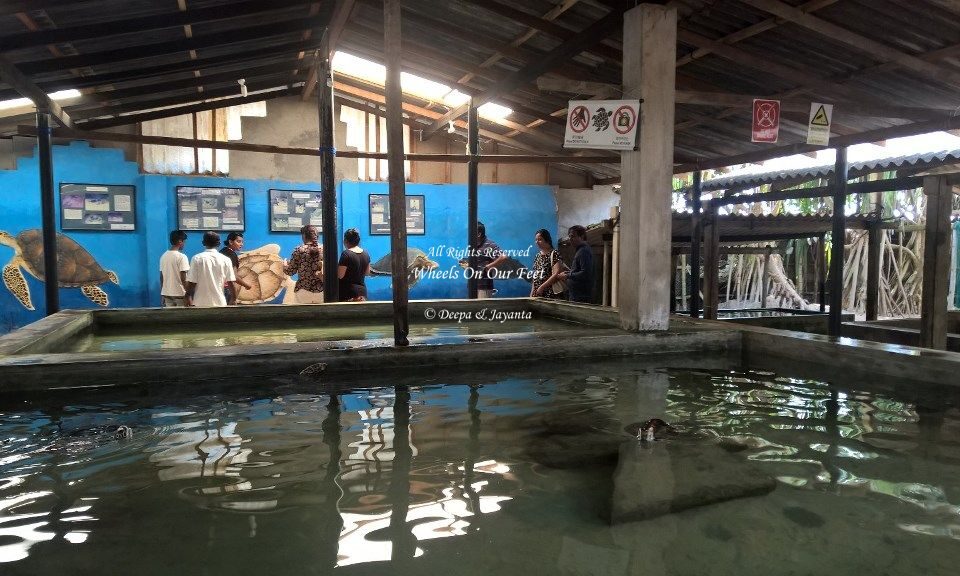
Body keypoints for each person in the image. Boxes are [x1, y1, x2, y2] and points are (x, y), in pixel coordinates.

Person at [185, 231, 238, 307]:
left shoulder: (196, 259)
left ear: (203, 243)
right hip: (220, 303)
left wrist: (188, 296)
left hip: (200, 303)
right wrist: (233, 299)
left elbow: (192, 282)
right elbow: (231, 283)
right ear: (219, 244)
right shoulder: (226, 260)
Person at [284, 225, 325, 304]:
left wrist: (285, 265)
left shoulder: (298, 250)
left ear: (304, 235)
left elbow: (290, 272)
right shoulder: (324, 249)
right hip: (321, 291)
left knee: (302, 316)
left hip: (303, 291)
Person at [473, 221, 507, 299]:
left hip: (484, 287)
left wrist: (489, 266)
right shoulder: (473, 245)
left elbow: (503, 256)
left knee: (483, 309)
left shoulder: (490, 244)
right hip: (473, 285)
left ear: (479, 234)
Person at [560, 225, 594, 303]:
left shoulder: (583, 251)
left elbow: (586, 273)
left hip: (581, 297)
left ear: (581, 236)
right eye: (569, 237)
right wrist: (568, 273)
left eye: (573, 236)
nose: (570, 239)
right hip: (577, 295)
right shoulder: (581, 250)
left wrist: (567, 275)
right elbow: (580, 270)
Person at [530, 228, 567, 299]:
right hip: (538, 293)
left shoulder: (554, 253)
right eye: (536, 240)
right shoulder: (537, 256)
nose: (537, 242)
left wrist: (542, 287)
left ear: (547, 240)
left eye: (540, 239)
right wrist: (532, 293)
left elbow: (556, 274)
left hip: (551, 293)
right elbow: (535, 276)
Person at [338, 228, 370, 301]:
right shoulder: (366, 254)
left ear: (345, 240)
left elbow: (340, 275)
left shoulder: (346, 254)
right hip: (362, 292)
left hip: (348, 293)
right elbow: (367, 273)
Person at [159, 230, 189, 307]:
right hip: (180, 295)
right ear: (180, 241)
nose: (184, 244)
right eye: (184, 242)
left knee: (171, 318)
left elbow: (162, 277)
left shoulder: (163, 256)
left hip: (167, 294)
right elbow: (183, 278)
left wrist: (162, 293)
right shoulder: (182, 257)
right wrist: (189, 295)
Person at [221, 232, 252, 304]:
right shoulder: (232, 255)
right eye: (238, 241)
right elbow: (234, 276)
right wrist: (247, 285)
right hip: (227, 288)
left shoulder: (222, 251)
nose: (241, 244)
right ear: (230, 242)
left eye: (242, 242)